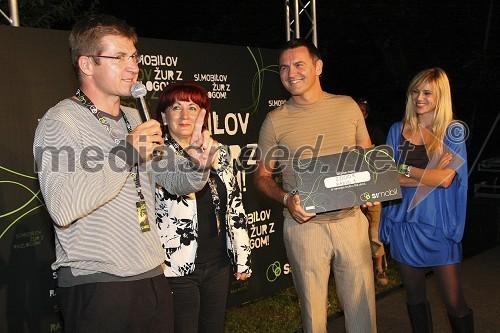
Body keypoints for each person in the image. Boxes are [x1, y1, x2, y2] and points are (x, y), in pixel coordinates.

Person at [33, 15, 217, 333]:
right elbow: (62, 207)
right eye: (119, 57)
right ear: (87, 64)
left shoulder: (135, 117)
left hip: (153, 274)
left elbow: (177, 181)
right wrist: (126, 153)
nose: (132, 66)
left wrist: (198, 164)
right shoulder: (61, 122)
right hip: (97, 283)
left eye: (133, 56)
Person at [254, 38, 377, 333]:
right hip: (305, 228)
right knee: (313, 317)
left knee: (363, 313)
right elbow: (261, 177)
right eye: (284, 67)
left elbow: (367, 158)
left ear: (318, 67)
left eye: (298, 64)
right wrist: (286, 200)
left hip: (351, 224)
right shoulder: (275, 121)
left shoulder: (348, 107)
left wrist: (371, 190)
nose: (290, 73)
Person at [380, 68, 473, 332]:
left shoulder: (452, 131)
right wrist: (427, 174)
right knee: (415, 297)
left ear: (440, 96)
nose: (419, 97)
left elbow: (445, 180)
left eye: (427, 92)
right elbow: (386, 177)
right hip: (403, 224)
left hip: (438, 225)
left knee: (455, 303)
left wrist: (405, 170)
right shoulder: (397, 130)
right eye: (415, 91)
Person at [154, 82, 252, 333]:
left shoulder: (218, 151)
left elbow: (235, 206)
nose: (185, 115)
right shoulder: (155, 155)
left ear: (203, 115)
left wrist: (242, 256)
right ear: (164, 116)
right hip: (175, 267)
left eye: (193, 107)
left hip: (218, 264)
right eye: (176, 107)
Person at [355, 97, 389, 287]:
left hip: (373, 192)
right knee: (355, 234)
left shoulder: (375, 132)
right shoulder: (345, 132)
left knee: (374, 233)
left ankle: (379, 268)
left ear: (366, 114)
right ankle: (360, 270)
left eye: (362, 110)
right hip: (352, 192)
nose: (359, 113)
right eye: (356, 109)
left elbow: (385, 160)